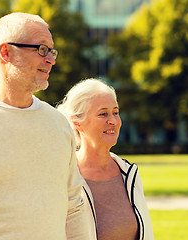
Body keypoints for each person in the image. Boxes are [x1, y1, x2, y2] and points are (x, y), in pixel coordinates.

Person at [0, 12, 89, 239]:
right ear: (5, 52)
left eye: (52, 51)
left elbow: (74, 207)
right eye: (41, 49)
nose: (50, 59)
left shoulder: (58, 124)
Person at [57, 78, 154, 240]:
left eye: (115, 113)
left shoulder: (129, 173)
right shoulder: (65, 176)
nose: (114, 121)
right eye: (103, 114)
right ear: (77, 123)